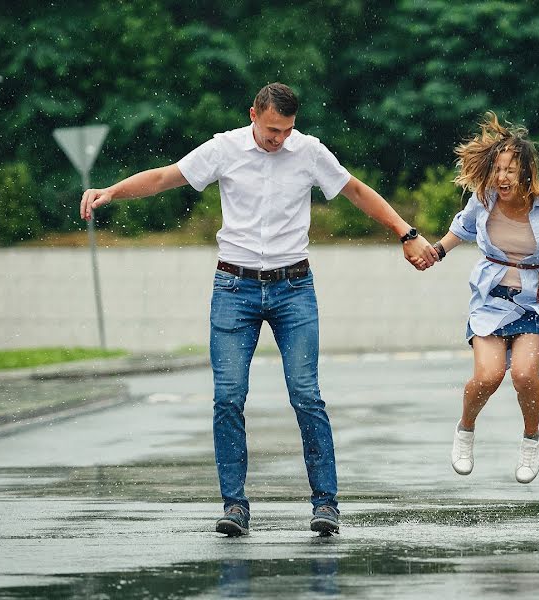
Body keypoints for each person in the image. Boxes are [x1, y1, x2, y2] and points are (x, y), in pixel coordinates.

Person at [80, 82, 438, 536]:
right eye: (272, 130)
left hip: (294, 289)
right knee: (228, 397)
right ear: (253, 114)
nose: (279, 140)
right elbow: (165, 177)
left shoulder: (308, 151)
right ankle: (234, 506)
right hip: (234, 288)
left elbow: (356, 191)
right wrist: (111, 191)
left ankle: (326, 504)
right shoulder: (223, 149)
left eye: (287, 131)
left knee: (306, 395)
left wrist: (406, 233)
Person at [427, 112, 539, 484]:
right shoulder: (484, 199)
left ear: (526, 172)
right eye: (498, 169)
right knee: (488, 377)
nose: (502, 177)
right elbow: (460, 228)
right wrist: (435, 253)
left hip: (534, 300)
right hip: (491, 298)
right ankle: (465, 429)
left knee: (524, 375)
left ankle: (530, 439)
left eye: (510, 170)